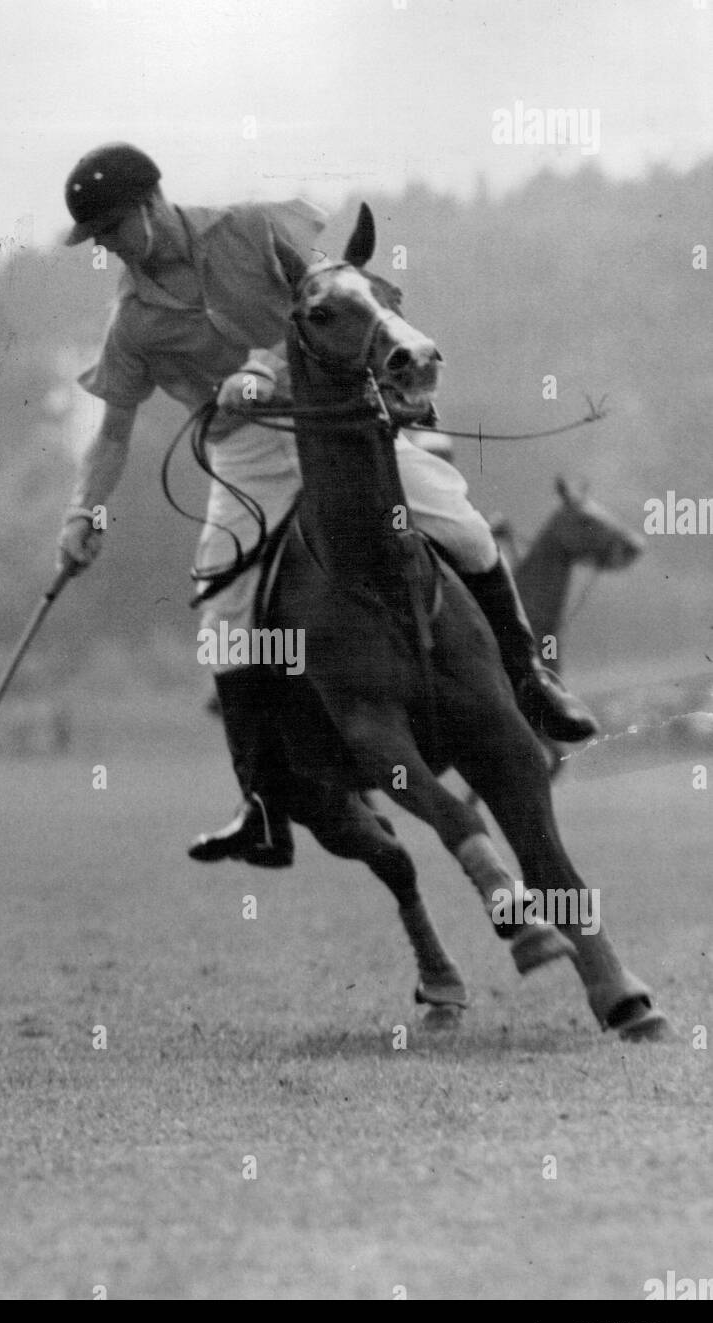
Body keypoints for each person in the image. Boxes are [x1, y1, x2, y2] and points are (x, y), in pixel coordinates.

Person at [57, 143, 598, 869]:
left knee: (460, 522)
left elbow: (337, 297)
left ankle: (529, 680)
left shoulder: (250, 228)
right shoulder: (131, 320)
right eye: (99, 239)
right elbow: (113, 432)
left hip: (335, 422)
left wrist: (264, 368)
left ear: (152, 203)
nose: (111, 248)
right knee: (221, 615)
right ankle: (262, 803)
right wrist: (82, 514)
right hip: (247, 460)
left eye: (114, 228)